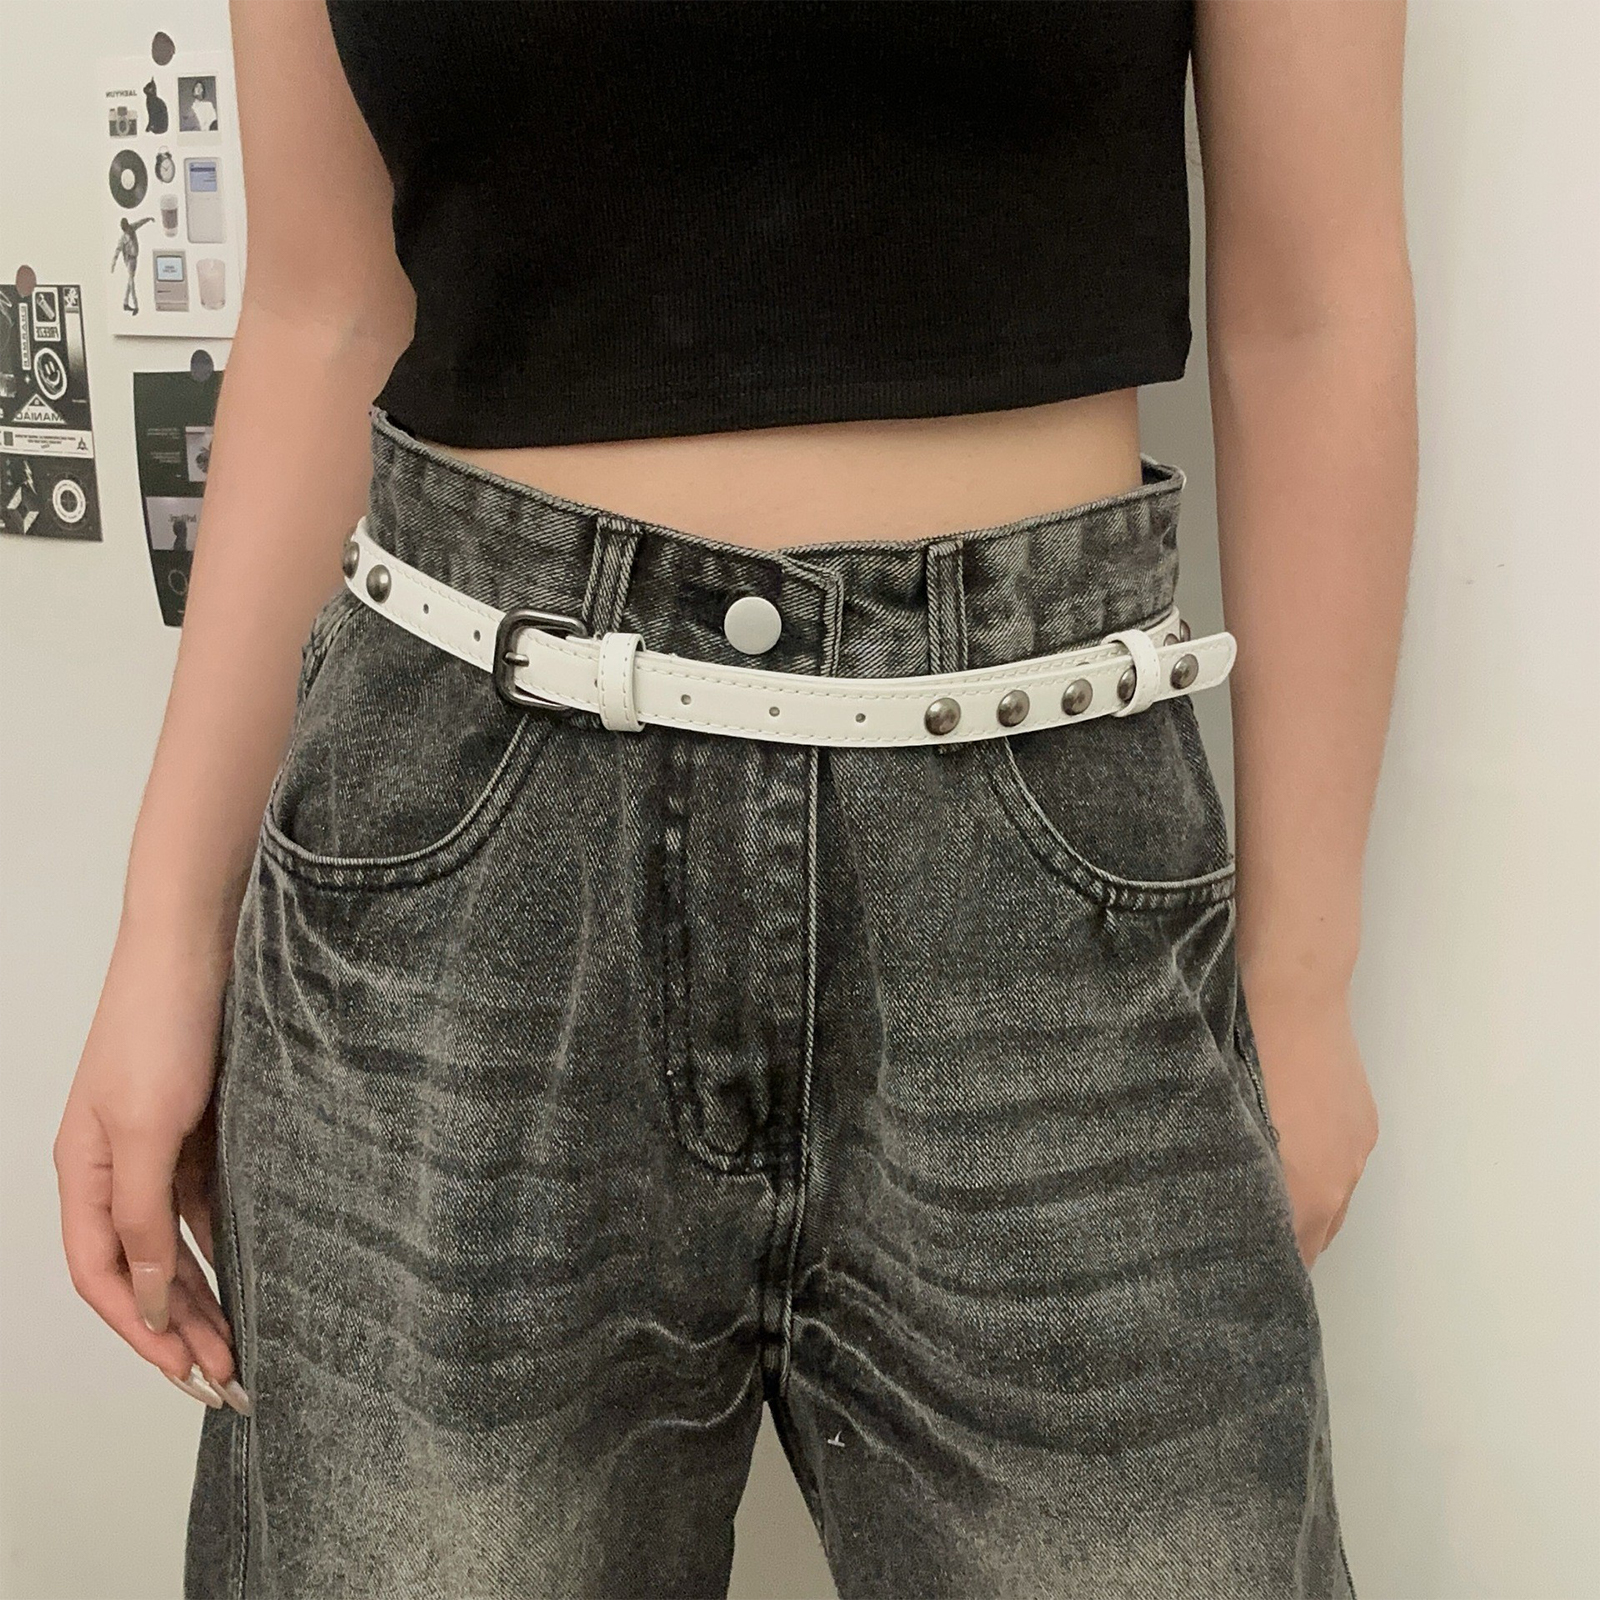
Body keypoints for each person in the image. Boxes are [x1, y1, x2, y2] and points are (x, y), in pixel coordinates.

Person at [54, 2, 1413, 1596]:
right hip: (456, 882)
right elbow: (322, 311)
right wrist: (165, 935)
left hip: (1041, 841)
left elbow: (1312, 313)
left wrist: (1301, 987)